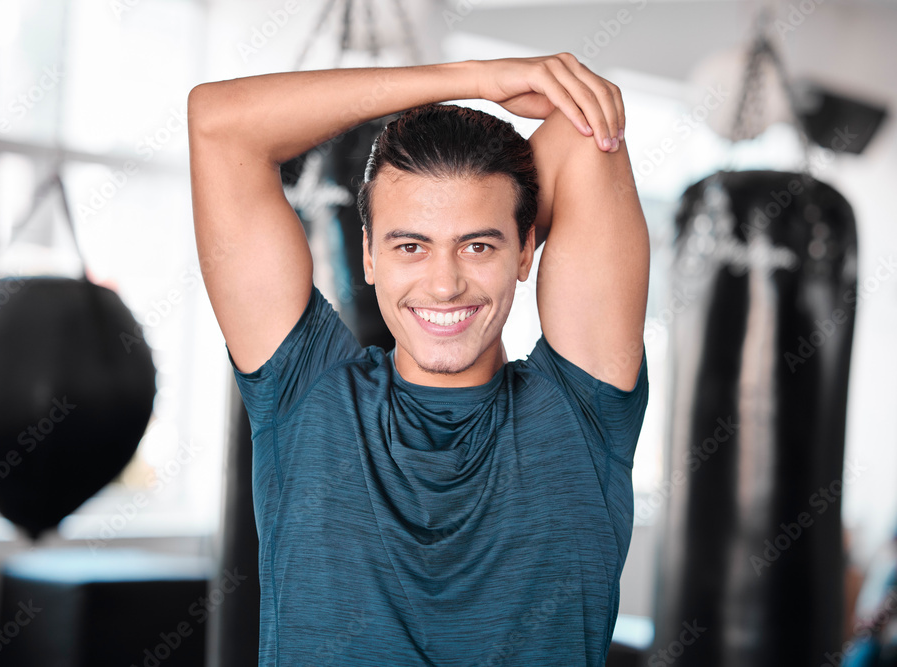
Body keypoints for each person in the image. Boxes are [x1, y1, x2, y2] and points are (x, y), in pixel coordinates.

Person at [188, 53, 650, 666]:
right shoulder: (307, 391)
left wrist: (481, 179)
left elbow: (583, 130)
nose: (444, 285)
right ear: (369, 256)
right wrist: (478, 81)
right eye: (411, 245)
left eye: (478, 245)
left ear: (524, 251)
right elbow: (218, 122)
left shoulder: (581, 410)